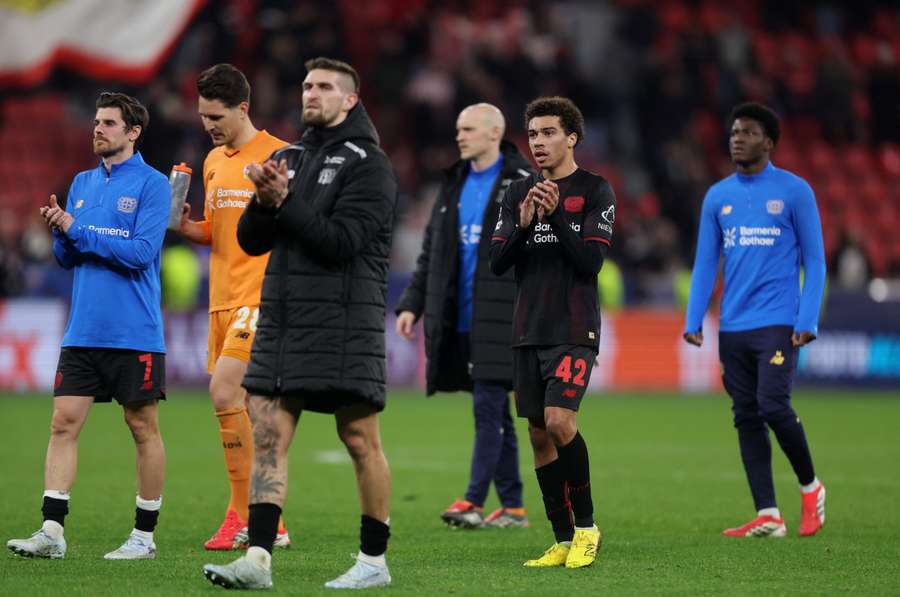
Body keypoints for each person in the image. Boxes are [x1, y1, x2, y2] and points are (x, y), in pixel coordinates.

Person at [202, 57, 396, 590]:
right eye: (307, 84)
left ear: (350, 99)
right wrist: (265, 205)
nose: (312, 93)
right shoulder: (290, 157)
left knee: (359, 438)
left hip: (344, 320)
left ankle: (373, 561)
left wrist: (283, 202)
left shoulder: (369, 164)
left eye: (326, 86)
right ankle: (258, 559)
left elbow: (343, 243)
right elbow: (250, 240)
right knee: (267, 435)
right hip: (283, 319)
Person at [6, 92, 170, 560]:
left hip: (134, 330)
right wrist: (61, 230)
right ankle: (52, 531)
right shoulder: (80, 181)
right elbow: (68, 257)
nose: (97, 129)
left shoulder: (152, 185)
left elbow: (140, 253)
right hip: (83, 329)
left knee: (142, 426)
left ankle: (143, 536)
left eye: (109, 123)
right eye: (96, 121)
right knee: (62, 423)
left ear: (133, 132)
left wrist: (77, 229)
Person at [683, 102, 827, 538]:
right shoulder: (718, 196)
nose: (736, 138)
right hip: (733, 326)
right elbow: (706, 263)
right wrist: (694, 318)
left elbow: (816, 261)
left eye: (746, 132)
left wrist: (807, 318)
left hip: (778, 321)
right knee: (746, 414)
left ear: (769, 141)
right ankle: (768, 513)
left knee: (772, 406)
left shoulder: (796, 191)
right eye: (732, 132)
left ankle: (811, 487)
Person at [490, 97, 615, 569]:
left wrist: (558, 217)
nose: (538, 143)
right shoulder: (517, 193)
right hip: (528, 329)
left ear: (572, 138)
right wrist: (523, 226)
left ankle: (587, 528)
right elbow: (498, 264)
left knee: (562, 421)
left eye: (548, 133)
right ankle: (562, 538)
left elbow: (591, 263)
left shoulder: (596, 190)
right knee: (540, 436)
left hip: (573, 326)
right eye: (533, 134)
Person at [395, 103, 533, 529]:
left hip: (504, 318)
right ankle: (512, 508)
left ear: (495, 133)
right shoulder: (453, 184)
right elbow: (433, 253)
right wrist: (412, 304)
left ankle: (473, 500)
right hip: (462, 317)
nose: (460, 136)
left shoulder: (523, 184)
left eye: (469, 129)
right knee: (493, 411)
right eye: (458, 128)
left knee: (488, 408)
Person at [177, 63, 291, 550]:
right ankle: (267, 521)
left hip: (260, 297)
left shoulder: (280, 155)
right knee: (245, 409)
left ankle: (244, 515)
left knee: (224, 392)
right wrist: (189, 229)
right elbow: (218, 231)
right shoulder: (211, 160)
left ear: (244, 107)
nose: (209, 124)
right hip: (221, 301)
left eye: (216, 115)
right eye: (203, 115)